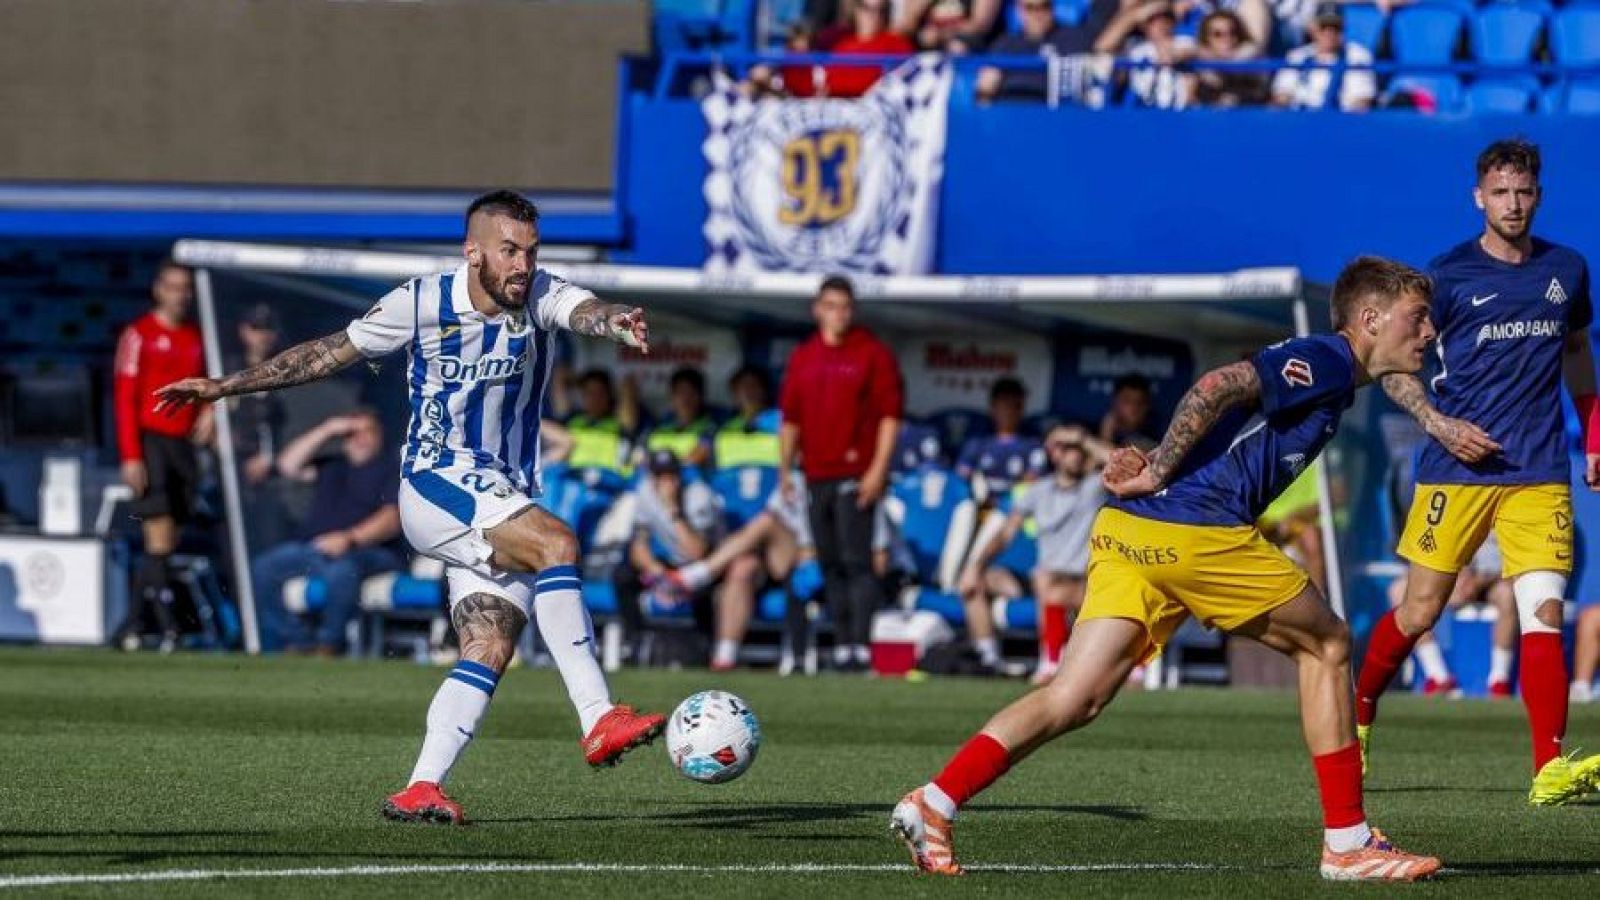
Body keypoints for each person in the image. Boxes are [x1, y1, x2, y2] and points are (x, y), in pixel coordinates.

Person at [891, 257, 1442, 881]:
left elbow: (1236, 416)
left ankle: (933, 803)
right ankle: (1347, 843)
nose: (1429, 331)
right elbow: (1216, 386)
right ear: (1370, 319)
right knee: (1329, 644)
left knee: (1074, 697)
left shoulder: (1342, 371)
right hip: (1195, 532)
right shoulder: (1331, 359)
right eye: (1418, 318)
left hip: (1132, 529)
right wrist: (1158, 468)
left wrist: (1159, 463)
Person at [154, 190, 666, 824]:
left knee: (489, 644)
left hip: (501, 492)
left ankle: (420, 786)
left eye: (531, 252)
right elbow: (324, 354)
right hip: (435, 481)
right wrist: (223, 388)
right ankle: (598, 717)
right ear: (472, 251)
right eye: (509, 251)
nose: (523, 266)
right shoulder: (420, 302)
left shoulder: (540, 295)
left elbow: (585, 310)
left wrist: (614, 320)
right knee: (558, 544)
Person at [1354, 139, 1600, 805]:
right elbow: (1393, 367)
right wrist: (1440, 426)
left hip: (1540, 468)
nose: (1513, 203)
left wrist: (1595, 434)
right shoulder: (1446, 278)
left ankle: (1548, 769)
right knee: (1419, 611)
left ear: (1538, 195)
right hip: (1455, 474)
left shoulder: (1568, 270)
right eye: (1500, 192)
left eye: (1523, 192)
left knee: (1542, 612)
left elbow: (1577, 354)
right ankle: (1360, 712)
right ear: (1479, 197)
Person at [779, 275, 904, 672]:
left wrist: (877, 471)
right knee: (829, 561)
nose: (838, 314)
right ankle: (841, 641)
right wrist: (785, 469)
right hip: (816, 474)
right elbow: (791, 420)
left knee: (857, 560)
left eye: (845, 306)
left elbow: (890, 417)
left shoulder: (872, 353)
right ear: (817, 309)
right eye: (831, 306)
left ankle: (860, 645)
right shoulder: (804, 356)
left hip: (857, 473)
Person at [957, 424, 1108, 680]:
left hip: (1082, 580)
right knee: (982, 578)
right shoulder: (1037, 491)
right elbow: (1005, 533)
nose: (1078, 454)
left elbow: (1118, 461)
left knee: (1046, 581)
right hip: (1045, 576)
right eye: (1069, 448)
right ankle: (987, 658)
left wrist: (1083, 438)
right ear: (1054, 454)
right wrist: (975, 566)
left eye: (1079, 449)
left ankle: (1050, 661)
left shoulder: (1094, 488)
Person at [111, 261, 209, 654]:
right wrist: (131, 455)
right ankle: (169, 628)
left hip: (183, 446)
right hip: (151, 442)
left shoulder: (196, 337)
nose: (180, 294)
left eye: (186, 288)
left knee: (165, 544)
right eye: (173, 286)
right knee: (158, 536)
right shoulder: (140, 335)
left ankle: (132, 627)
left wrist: (210, 413)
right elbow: (124, 397)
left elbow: (207, 386)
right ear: (158, 289)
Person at [250, 409, 403, 654]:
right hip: (315, 548)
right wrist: (328, 429)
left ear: (380, 436)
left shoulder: (390, 469)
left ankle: (328, 645)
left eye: (368, 432)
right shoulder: (332, 465)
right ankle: (296, 642)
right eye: (353, 433)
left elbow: (392, 519)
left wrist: (349, 538)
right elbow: (288, 465)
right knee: (264, 568)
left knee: (341, 572)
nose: (360, 438)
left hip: (367, 550)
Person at [615, 449, 722, 653]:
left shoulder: (698, 494)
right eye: (660, 475)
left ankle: (705, 647)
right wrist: (657, 571)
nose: (666, 481)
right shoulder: (645, 491)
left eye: (671, 474)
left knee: (704, 587)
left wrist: (673, 509)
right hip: (669, 563)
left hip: (705, 564)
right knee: (623, 574)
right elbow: (639, 543)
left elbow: (697, 551)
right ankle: (635, 641)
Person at [229, 303, 290, 550]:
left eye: (268, 329)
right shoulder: (226, 370)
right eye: (256, 328)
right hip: (231, 469)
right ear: (244, 331)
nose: (262, 336)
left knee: (267, 538)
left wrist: (269, 456)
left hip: (273, 475)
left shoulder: (287, 370)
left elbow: (284, 424)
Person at [974, 0, 1118, 104]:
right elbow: (986, 88)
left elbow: (1101, 63)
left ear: (1053, 7)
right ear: (1019, 10)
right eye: (1030, 7)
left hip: (1057, 116)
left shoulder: (1076, 39)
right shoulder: (1005, 44)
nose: (1037, 14)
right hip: (1012, 111)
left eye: (1044, 6)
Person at [953, 377, 1047, 504]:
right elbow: (961, 476)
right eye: (1004, 405)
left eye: (1016, 406)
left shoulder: (1032, 444)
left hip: (1015, 509)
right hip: (980, 506)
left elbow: (1033, 480)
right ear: (992, 408)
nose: (1009, 412)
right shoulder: (978, 442)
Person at [1271, 3, 1377, 113]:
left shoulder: (1358, 56)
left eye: (1336, 27)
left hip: (1341, 121)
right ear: (1313, 28)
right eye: (1323, 27)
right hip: (1300, 120)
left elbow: (1362, 102)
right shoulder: (1297, 56)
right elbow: (1282, 95)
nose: (1329, 33)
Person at [565, 369, 637, 478]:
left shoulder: (618, 422)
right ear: (583, 396)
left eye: (600, 393)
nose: (595, 398)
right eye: (590, 393)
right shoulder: (573, 422)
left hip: (609, 483)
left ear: (609, 395)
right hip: (576, 483)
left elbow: (628, 391)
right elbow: (560, 379)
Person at [1189, 9, 1269, 108]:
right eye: (1217, 34)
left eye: (1232, 32)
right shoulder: (1197, 64)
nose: (1227, 39)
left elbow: (1259, 96)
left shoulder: (1253, 61)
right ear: (1206, 38)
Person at [644, 367, 715, 470]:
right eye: (680, 392)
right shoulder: (658, 425)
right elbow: (642, 457)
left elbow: (698, 455)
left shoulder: (710, 426)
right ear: (671, 396)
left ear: (701, 396)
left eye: (691, 393)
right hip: (656, 479)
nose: (686, 398)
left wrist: (668, 472)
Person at [1099, 372, 1159, 450]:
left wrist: (1106, 435)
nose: (1134, 408)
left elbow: (1117, 459)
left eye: (1140, 402)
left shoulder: (1157, 433)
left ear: (1148, 405)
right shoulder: (1096, 425)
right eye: (1127, 401)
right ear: (1115, 402)